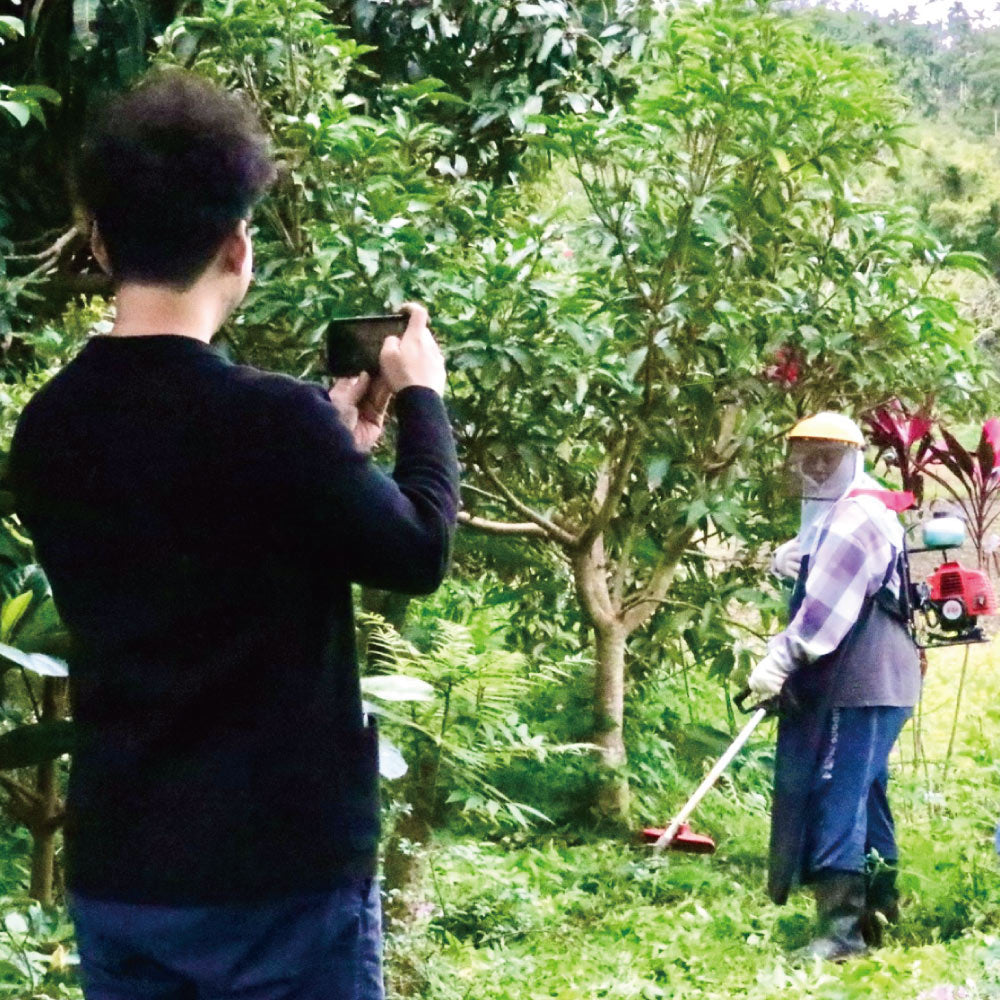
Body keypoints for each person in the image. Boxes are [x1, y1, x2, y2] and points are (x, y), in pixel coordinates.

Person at [7, 70, 458, 1000]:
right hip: (278, 874)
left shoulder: (49, 427)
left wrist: (337, 452)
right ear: (236, 246)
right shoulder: (273, 423)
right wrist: (422, 401)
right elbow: (417, 551)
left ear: (100, 238)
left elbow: (173, 548)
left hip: (126, 867)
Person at [748, 412, 921, 961]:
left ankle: (841, 934)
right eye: (807, 457)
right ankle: (880, 911)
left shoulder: (855, 521)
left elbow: (822, 617)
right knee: (865, 792)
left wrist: (778, 662)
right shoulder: (847, 512)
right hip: (872, 682)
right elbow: (812, 559)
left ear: (850, 458)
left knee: (836, 793)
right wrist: (790, 558)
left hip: (862, 682)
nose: (816, 467)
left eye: (826, 455)